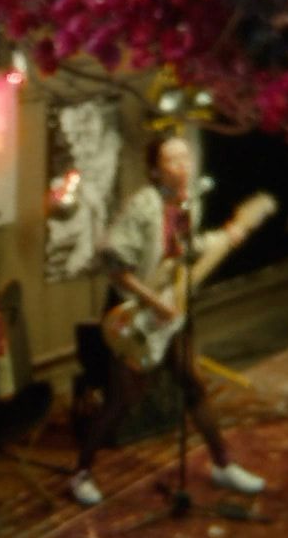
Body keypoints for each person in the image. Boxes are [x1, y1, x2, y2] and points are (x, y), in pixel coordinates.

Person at [67, 134, 267, 506]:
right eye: (172, 161)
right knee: (123, 398)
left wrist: (224, 238)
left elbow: (181, 254)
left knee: (194, 385)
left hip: (170, 310)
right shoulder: (142, 206)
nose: (183, 167)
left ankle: (222, 463)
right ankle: (81, 473)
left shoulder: (189, 206)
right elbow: (116, 268)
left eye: (186, 158)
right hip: (135, 314)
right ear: (156, 170)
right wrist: (155, 304)